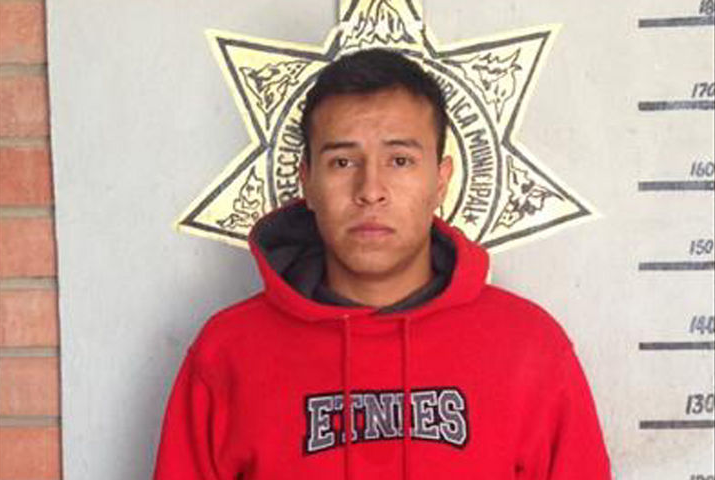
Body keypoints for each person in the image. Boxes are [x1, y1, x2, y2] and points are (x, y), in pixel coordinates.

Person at [154, 48, 611, 479]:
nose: (370, 190)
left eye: (399, 160)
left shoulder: (530, 348)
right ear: (307, 182)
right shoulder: (227, 354)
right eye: (342, 162)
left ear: (440, 180)